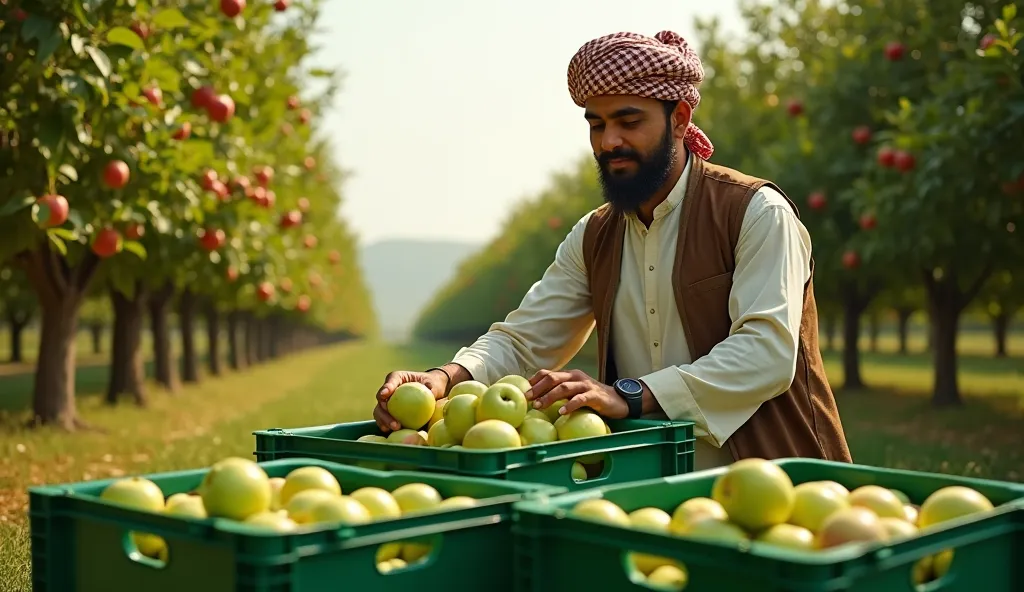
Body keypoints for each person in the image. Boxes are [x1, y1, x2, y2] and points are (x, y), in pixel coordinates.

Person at [373, 30, 852, 469]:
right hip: (649, 490)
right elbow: (525, 339)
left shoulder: (755, 213)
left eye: (628, 121)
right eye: (596, 124)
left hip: (777, 481)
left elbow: (765, 352)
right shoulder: (595, 236)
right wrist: (445, 377)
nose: (609, 141)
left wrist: (632, 394)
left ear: (680, 119)